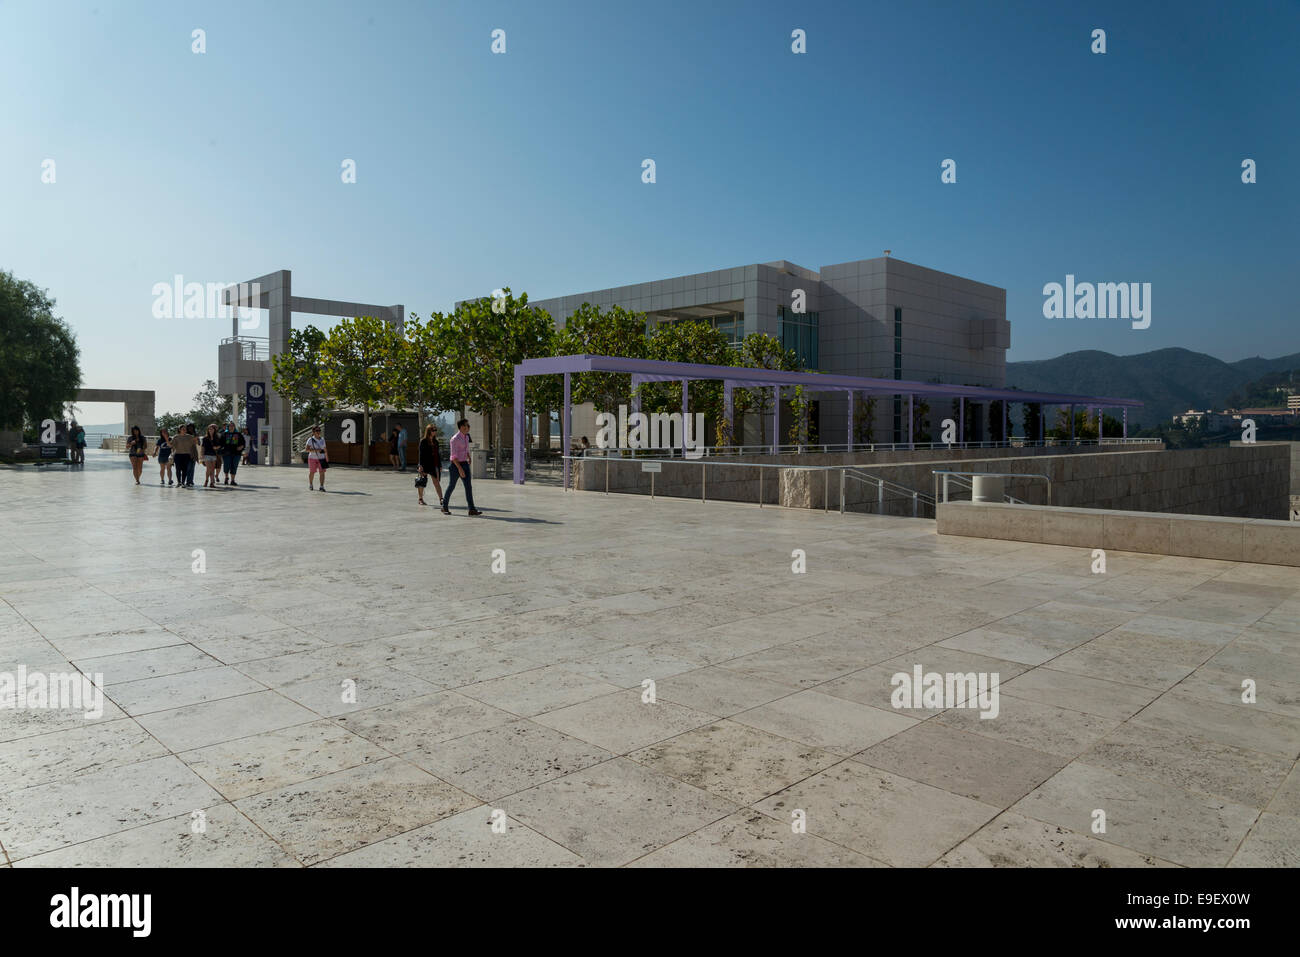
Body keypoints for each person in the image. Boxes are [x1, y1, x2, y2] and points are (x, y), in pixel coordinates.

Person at [442, 419, 481, 516]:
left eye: (468, 425)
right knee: (452, 486)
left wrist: (468, 457)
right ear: (461, 427)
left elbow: (466, 449)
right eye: (466, 425)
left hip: (465, 464)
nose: (468, 427)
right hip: (456, 465)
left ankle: (471, 509)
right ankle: (444, 506)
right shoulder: (454, 439)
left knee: (468, 487)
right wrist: (460, 468)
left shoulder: (466, 437)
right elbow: (453, 456)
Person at [416, 423, 444, 506]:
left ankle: (441, 499)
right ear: (429, 431)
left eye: (435, 430)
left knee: (436, 482)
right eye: (433, 430)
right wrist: (420, 465)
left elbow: (438, 454)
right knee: (422, 481)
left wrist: (440, 465)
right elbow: (421, 454)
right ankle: (420, 499)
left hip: (434, 465)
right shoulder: (423, 441)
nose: (435, 431)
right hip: (425, 464)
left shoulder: (436, 442)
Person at [171, 424, 197, 488]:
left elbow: (194, 444)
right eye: (182, 429)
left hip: (187, 455)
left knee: (185, 470)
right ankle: (179, 482)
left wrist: (196, 439)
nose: (184, 430)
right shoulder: (176, 437)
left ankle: (183, 483)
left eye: (185, 429)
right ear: (179, 430)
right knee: (178, 469)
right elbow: (172, 446)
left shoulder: (190, 437)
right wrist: (172, 455)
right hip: (178, 455)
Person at [219, 421, 245, 486]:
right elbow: (220, 443)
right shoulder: (224, 434)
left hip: (236, 454)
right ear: (228, 427)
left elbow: (243, 443)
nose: (231, 427)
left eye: (233, 426)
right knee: (226, 466)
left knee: (234, 466)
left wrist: (241, 447)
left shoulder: (238, 434)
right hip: (226, 453)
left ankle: (232, 480)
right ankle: (226, 478)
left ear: (234, 427)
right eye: (230, 426)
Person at [305, 424, 328, 491]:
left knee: (322, 472)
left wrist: (326, 456)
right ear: (313, 432)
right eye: (317, 430)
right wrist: (317, 450)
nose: (318, 432)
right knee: (312, 472)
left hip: (322, 458)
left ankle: (321, 486)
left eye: (319, 430)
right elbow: (307, 449)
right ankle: (311, 485)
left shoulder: (322, 439)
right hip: (312, 458)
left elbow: (325, 448)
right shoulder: (310, 439)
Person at [201, 424, 220, 488]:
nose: (210, 430)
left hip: (214, 455)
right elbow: (203, 447)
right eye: (209, 429)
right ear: (208, 430)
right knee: (209, 468)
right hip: (206, 455)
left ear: (214, 430)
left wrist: (216, 447)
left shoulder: (216, 438)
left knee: (212, 469)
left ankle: (212, 483)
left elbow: (219, 445)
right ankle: (206, 480)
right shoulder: (205, 438)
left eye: (212, 429)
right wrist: (202, 455)